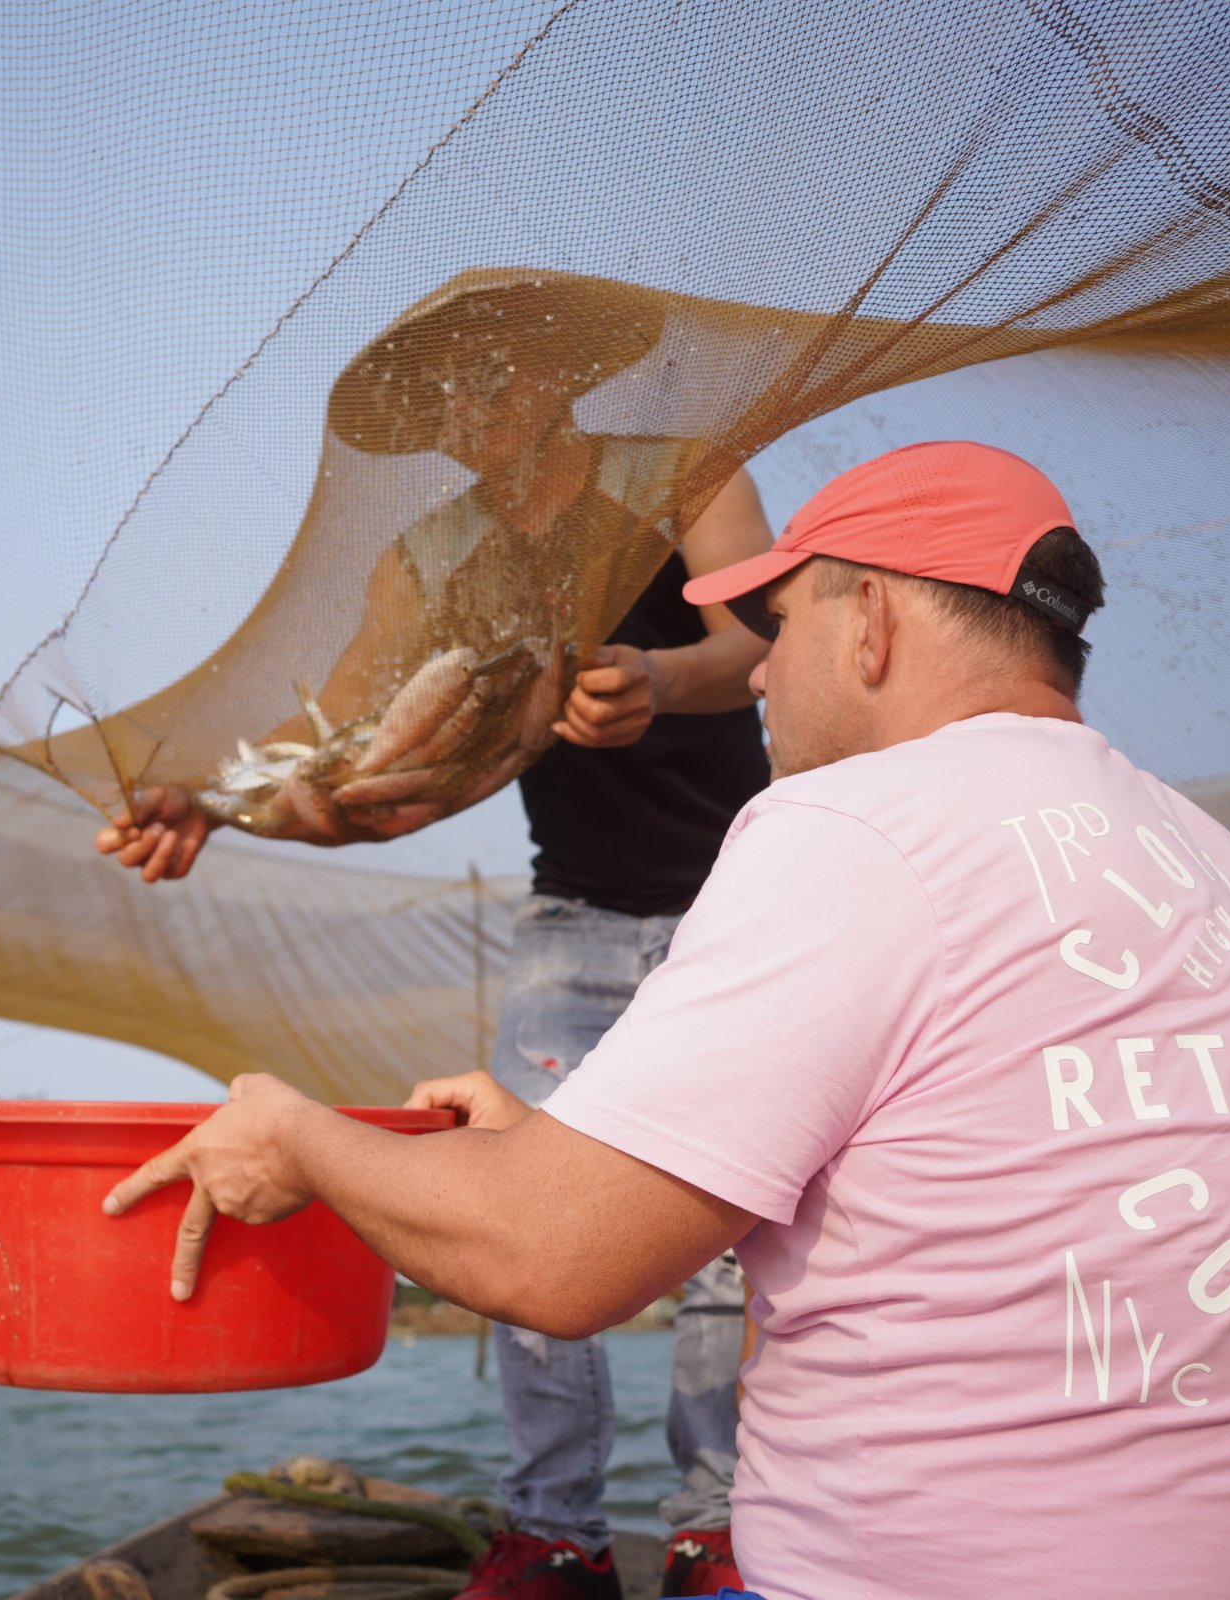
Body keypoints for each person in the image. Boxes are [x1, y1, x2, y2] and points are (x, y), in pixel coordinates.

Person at [101, 441, 1230, 1598]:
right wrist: (563, 1144)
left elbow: (550, 1259)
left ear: (874, 622)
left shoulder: (857, 822)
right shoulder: (1198, 848)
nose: (761, 675)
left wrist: (295, 1137)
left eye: (782, 630)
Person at [99, 462, 776, 1600]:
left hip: (732, 902)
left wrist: (659, 676)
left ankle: (716, 1531)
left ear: (567, 378)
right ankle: (555, 1539)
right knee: (517, 1197)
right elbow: (350, 750)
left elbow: (763, 641)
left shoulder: (689, 474)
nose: (478, 404)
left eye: (504, 378)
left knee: (720, 1234)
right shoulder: (438, 556)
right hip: (574, 915)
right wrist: (209, 799)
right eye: (450, 392)